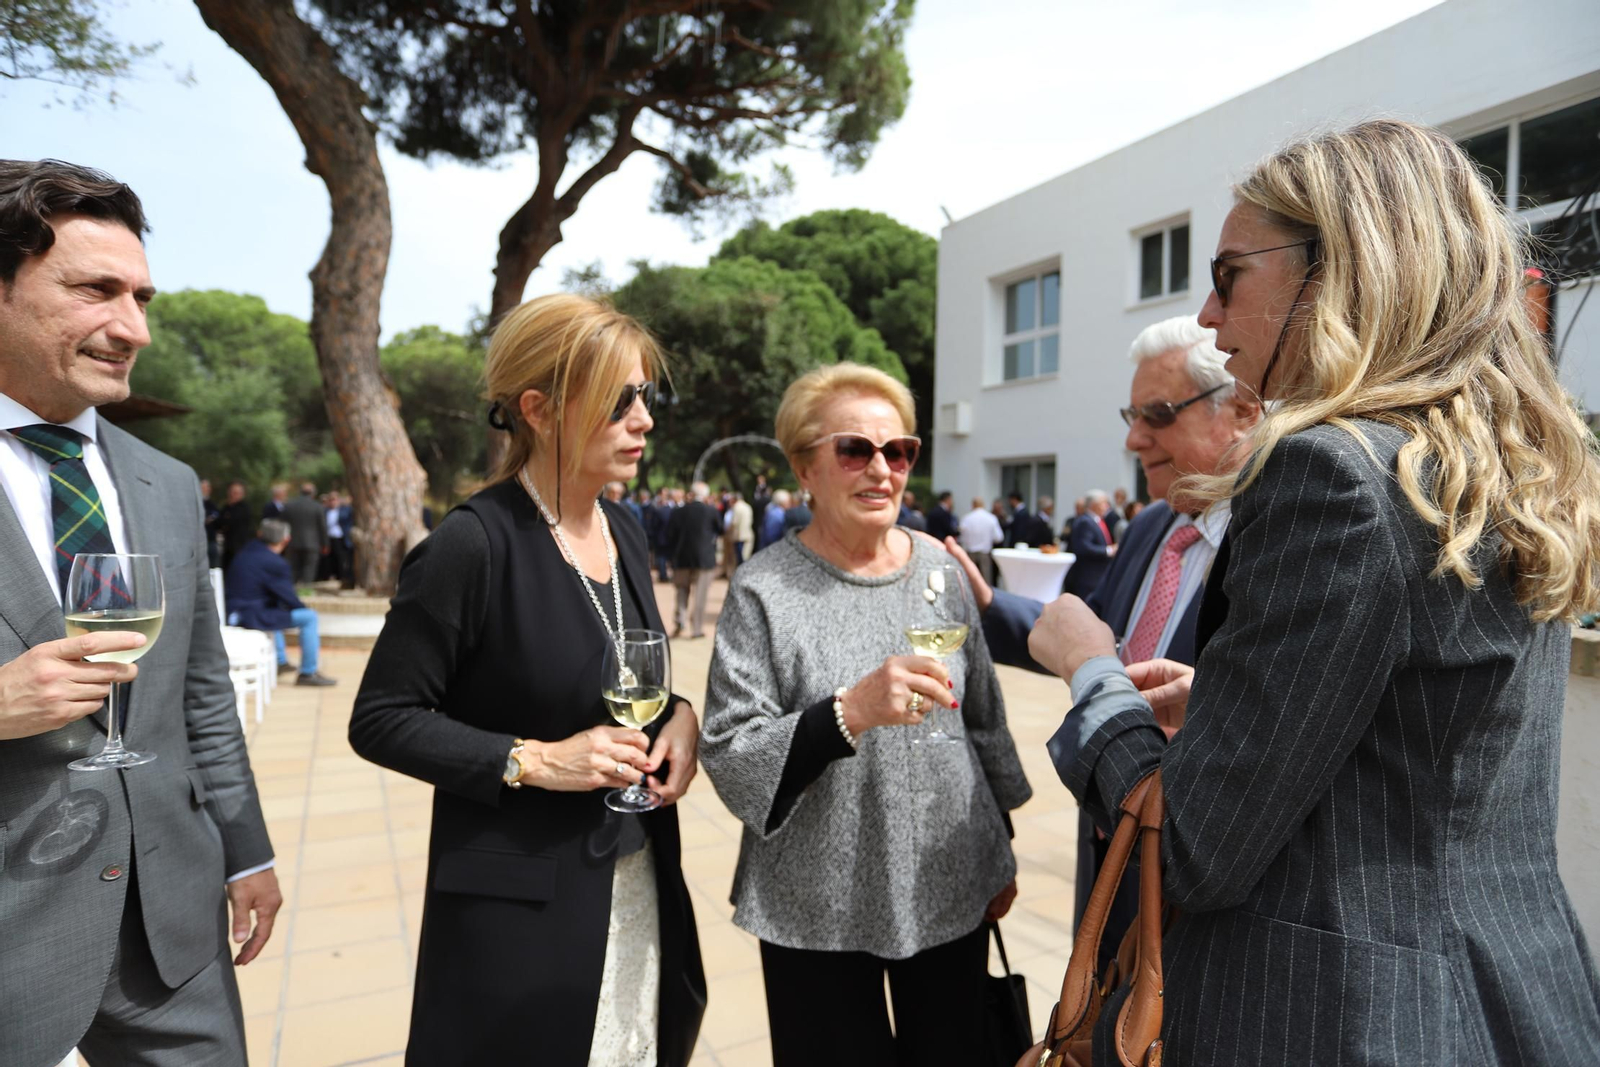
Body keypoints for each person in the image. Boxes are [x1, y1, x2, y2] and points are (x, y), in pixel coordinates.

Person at [1026, 120, 1600, 1063]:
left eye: (1228, 277)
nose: (1209, 321)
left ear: (1333, 271)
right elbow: (1431, 735)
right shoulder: (1495, 473)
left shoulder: (1329, 472)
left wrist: (1094, 674)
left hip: (1337, 1017)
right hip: (1510, 997)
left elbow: (1195, 850)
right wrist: (1227, 703)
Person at [348, 293, 706, 1066]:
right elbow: (380, 716)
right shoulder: (471, 543)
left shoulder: (628, 527)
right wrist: (537, 759)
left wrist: (679, 714)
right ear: (539, 408)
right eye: (620, 400)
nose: (643, 419)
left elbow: (620, 674)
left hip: (634, 880)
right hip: (520, 916)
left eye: (648, 395)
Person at [0, 159, 279, 1065]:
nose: (134, 328)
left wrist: (245, 850)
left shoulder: (167, 482)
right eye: (96, 290)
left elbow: (201, 697)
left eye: (143, 297)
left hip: (173, 926)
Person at [701, 362, 1031, 1066]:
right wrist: (848, 711)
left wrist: (998, 842)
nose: (882, 469)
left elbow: (982, 719)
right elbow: (731, 749)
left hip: (949, 885)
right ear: (804, 468)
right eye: (856, 449)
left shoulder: (941, 572)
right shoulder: (764, 589)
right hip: (814, 903)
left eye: (899, 450)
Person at [954, 315, 1260, 961]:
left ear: (1242, 409)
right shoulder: (1153, 524)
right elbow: (1100, 640)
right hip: (1110, 838)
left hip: (1200, 896)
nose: (1133, 437)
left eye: (1158, 413)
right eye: (1132, 413)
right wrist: (988, 605)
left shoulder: (1278, 544)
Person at [225, 519, 338, 686]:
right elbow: (289, 598)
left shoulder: (245, 551)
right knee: (309, 617)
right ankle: (308, 672)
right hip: (251, 615)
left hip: (235, 612)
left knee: (276, 610)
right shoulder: (275, 562)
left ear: (260, 534)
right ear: (286, 540)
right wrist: (303, 608)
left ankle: (280, 661)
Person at [667, 481, 720, 638]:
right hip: (704, 559)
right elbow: (720, 529)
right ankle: (696, 628)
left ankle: (680, 621)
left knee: (681, 591)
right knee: (700, 594)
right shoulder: (711, 511)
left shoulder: (678, 511)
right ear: (705, 496)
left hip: (681, 557)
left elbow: (670, 534)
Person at [1062, 488, 1116, 597]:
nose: (1107, 507)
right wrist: (1108, 550)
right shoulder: (1085, 521)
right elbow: (1083, 547)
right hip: (1088, 579)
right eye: (1104, 503)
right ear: (1094, 504)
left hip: (1097, 577)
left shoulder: (1097, 520)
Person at [283, 480, 326, 584]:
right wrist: (325, 544)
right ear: (313, 493)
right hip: (312, 543)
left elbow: (282, 524)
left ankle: (291, 588)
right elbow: (322, 527)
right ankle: (306, 589)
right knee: (309, 567)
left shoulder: (289, 505)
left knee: (293, 566)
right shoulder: (317, 507)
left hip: (292, 542)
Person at [957, 494, 1004, 587]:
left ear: (973, 505)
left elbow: (961, 537)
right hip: (985, 554)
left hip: (970, 554)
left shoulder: (966, 518)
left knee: (970, 582)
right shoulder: (991, 518)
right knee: (985, 582)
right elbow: (999, 537)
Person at [218, 478, 255, 571]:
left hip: (240, 547)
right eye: (232, 492)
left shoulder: (244, 508)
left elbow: (231, 521)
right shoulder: (226, 507)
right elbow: (220, 523)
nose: (233, 495)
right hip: (228, 547)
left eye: (236, 492)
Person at [644, 488, 673, 580]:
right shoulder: (668, 510)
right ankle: (664, 575)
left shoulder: (659, 510)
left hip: (661, 537)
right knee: (663, 557)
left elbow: (653, 524)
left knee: (661, 557)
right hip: (666, 537)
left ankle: (663, 575)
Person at [727, 491, 754, 568]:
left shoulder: (736, 507)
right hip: (748, 534)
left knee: (740, 558)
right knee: (746, 556)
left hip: (738, 535)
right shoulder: (748, 506)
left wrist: (728, 531)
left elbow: (734, 522)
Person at [200, 476, 222, 568]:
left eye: (208, 487)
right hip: (200, 542)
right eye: (204, 487)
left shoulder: (212, 504)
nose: (207, 489)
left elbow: (218, 521)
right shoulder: (197, 503)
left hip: (211, 540)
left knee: (214, 567)